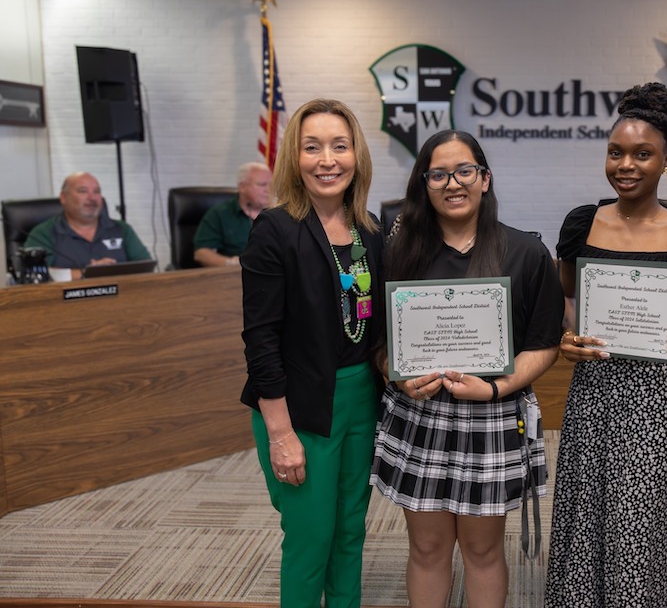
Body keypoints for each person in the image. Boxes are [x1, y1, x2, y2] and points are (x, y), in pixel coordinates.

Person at [370, 130, 562, 608]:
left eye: (464, 171)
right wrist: (397, 372)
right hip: (420, 415)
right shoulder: (396, 254)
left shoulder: (526, 253)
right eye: (438, 174)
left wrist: (496, 390)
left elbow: (545, 345)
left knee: (481, 549)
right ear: (424, 183)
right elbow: (378, 344)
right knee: (428, 548)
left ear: (484, 179)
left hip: (491, 417)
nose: (452, 183)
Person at [545, 82, 667, 608]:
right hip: (593, 397)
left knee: (644, 527)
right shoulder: (580, 224)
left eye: (643, 154)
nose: (626, 164)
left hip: (657, 404)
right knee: (586, 521)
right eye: (615, 152)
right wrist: (564, 339)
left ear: (666, 163)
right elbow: (564, 302)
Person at [240, 98, 384, 608]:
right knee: (310, 539)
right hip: (298, 406)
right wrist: (280, 434)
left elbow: (374, 324)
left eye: (340, 146)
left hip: (361, 398)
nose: (328, 159)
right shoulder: (274, 229)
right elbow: (260, 340)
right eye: (313, 147)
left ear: (357, 155)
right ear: (293, 159)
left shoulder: (369, 231)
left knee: (349, 532)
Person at [23, 171, 152, 280]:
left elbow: (146, 267)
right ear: (63, 198)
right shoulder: (43, 233)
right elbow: (35, 275)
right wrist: (87, 273)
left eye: (97, 191)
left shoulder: (122, 229)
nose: (92, 198)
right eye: (83, 191)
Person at [193, 161, 273, 267]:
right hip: (234, 276)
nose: (268, 190)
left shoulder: (277, 214)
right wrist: (230, 263)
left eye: (271, 185)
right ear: (242, 187)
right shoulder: (220, 214)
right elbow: (201, 254)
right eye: (262, 185)